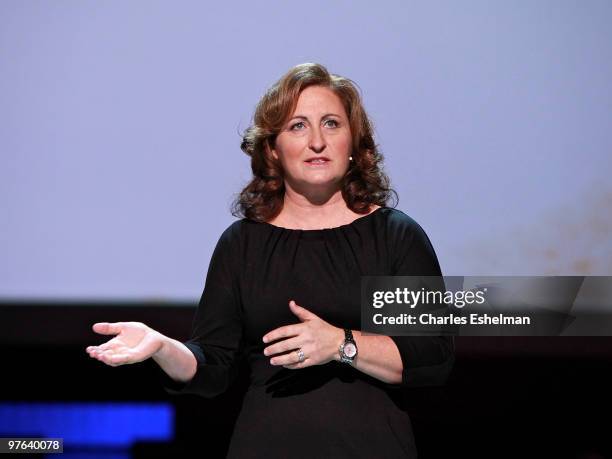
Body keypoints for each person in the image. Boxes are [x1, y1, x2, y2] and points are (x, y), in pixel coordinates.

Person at [86, 62, 455, 458]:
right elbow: (213, 366)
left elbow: (431, 357)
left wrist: (340, 344)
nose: (317, 141)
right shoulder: (243, 243)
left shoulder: (395, 235)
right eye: (298, 126)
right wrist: (163, 348)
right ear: (273, 149)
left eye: (331, 123)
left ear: (354, 143)